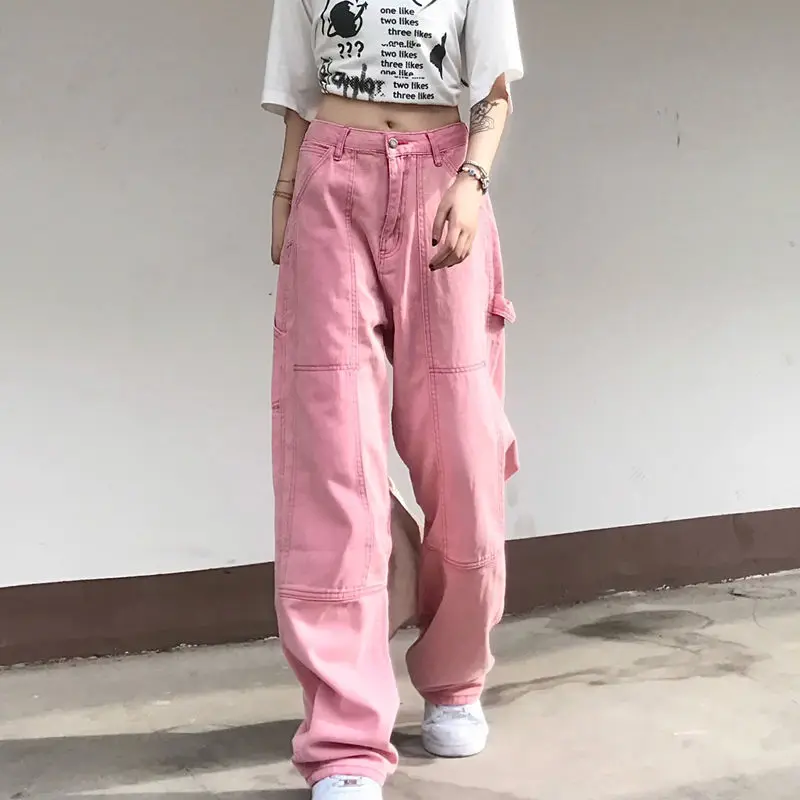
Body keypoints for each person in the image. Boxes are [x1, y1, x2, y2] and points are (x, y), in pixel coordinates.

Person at [262, 1, 523, 797]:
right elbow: (301, 92)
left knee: (463, 452)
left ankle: (455, 676)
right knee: (330, 453)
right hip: (332, 178)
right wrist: (284, 191)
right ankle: (344, 738)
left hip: (443, 179)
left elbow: (495, 88)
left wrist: (472, 180)